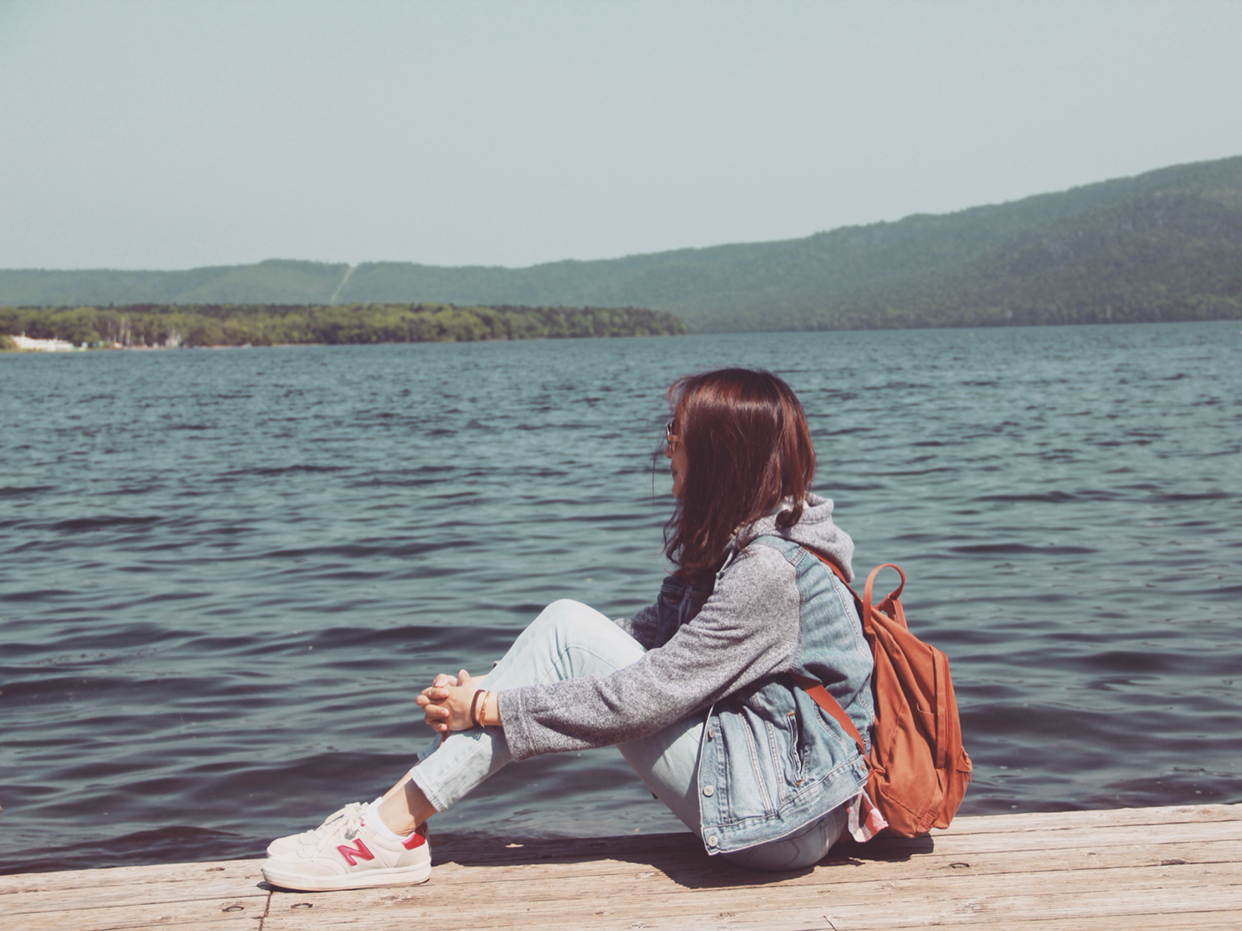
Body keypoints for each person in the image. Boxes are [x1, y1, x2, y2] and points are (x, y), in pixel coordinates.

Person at [261, 368, 876, 892]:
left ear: (721, 454)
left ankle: (387, 831)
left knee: (566, 626)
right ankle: (391, 822)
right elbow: (642, 638)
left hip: (787, 817)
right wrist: (489, 687)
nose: (666, 448)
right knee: (566, 631)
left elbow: (647, 693)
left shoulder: (768, 571)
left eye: (676, 433)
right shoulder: (740, 546)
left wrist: (492, 707)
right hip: (770, 791)